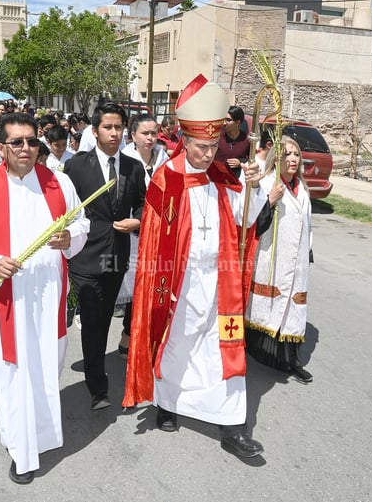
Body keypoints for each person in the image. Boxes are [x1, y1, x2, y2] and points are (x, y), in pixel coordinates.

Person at [123, 74, 268, 459]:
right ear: (185, 141)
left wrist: (256, 185)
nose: (209, 154)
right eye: (202, 147)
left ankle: (233, 427)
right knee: (177, 345)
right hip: (179, 281)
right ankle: (168, 404)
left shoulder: (223, 177)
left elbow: (247, 219)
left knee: (226, 346)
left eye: (214, 145)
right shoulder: (165, 179)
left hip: (220, 283)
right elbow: (155, 237)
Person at [0, 112, 89, 484]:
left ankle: (42, 435)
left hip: (49, 293)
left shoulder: (59, 182)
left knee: (46, 366)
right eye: (17, 142)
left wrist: (69, 239)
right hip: (8, 297)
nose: (26, 148)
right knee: (12, 371)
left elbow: (81, 223)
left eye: (31, 141)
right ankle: (21, 449)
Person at [63, 102, 147, 410]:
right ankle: (98, 386)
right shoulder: (76, 166)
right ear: (95, 130)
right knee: (95, 320)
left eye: (118, 127)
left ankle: (96, 367)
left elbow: (142, 204)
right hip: (85, 257)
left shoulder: (133, 167)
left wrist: (136, 221)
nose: (114, 133)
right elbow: (66, 211)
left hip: (116, 258)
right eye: (108, 127)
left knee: (104, 321)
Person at [244, 135, 314, 383]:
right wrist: (270, 201)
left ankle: (291, 360)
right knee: (266, 306)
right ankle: (253, 350)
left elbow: (308, 225)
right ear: (277, 158)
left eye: (296, 155)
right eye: (288, 155)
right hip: (271, 257)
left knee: (293, 309)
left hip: (297, 262)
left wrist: (308, 253)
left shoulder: (302, 189)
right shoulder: (264, 185)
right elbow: (253, 225)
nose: (293, 159)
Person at [115, 113, 168, 357]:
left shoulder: (164, 159)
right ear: (133, 135)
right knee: (136, 290)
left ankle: (148, 339)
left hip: (160, 235)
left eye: (153, 133)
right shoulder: (124, 159)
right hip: (133, 235)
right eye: (144, 133)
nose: (150, 138)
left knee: (155, 289)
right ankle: (128, 338)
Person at [215, 106, 249, 178]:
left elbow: (253, 159)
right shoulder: (217, 137)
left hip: (237, 180)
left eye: (228, 120)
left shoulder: (247, 140)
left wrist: (240, 162)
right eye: (223, 119)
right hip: (217, 179)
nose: (224, 123)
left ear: (238, 122)